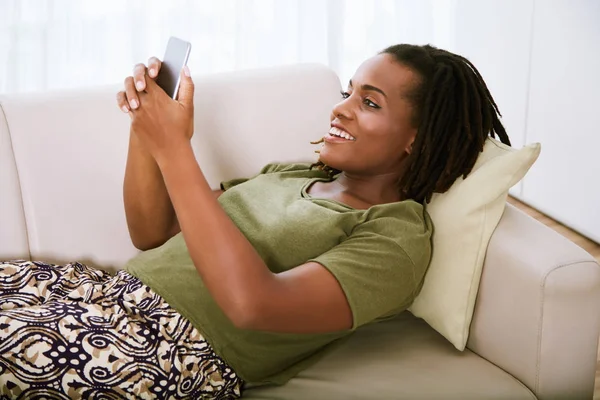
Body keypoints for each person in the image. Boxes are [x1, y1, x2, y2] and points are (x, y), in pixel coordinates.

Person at [0, 44, 510, 399]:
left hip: (160, 351)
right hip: (98, 298)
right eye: (349, 91)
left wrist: (174, 147)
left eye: (369, 102)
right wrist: (146, 129)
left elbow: (255, 305)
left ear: (416, 140)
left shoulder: (396, 238)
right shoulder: (293, 175)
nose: (342, 109)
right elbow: (154, 233)